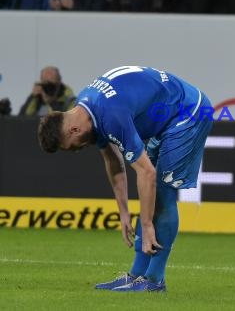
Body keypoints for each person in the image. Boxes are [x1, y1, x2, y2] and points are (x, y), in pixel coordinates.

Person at [37, 66, 213, 292]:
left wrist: (147, 224)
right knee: (153, 194)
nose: (77, 150)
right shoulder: (87, 108)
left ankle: (154, 280)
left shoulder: (111, 115)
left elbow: (146, 173)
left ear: (73, 129)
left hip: (189, 113)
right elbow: (113, 161)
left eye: (71, 147)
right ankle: (137, 275)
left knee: (162, 192)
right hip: (165, 117)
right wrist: (123, 211)